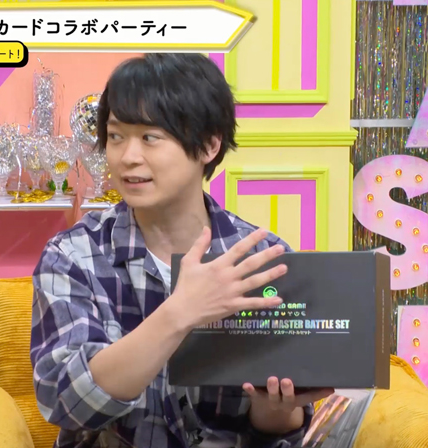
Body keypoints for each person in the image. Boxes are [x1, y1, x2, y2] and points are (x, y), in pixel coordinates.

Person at [31, 53, 333, 448]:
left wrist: (275, 406)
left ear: (208, 145)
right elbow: (65, 402)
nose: (127, 157)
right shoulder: (73, 255)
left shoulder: (263, 259)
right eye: (116, 136)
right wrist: (181, 311)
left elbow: (280, 434)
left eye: (150, 137)